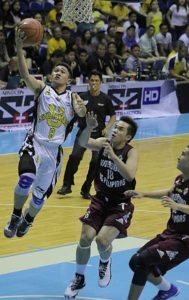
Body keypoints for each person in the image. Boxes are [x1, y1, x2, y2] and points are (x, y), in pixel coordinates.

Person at [4, 27, 86, 238]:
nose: (57, 72)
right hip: (35, 143)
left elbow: (84, 115)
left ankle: (28, 219)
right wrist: (20, 48)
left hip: (53, 153)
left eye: (63, 71)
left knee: (39, 198)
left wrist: (81, 111)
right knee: (25, 179)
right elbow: (24, 73)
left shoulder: (73, 98)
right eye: (55, 70)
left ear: (69, 79)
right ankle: (15, 215)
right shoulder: (43, 90)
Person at [64, 112, 138, 298]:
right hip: (100, 199)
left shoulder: (131, 152)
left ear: (128, 136)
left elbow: (129, 175)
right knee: (85, 238)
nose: (115, 130)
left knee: (102, 240)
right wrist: (88, 127)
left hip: (120, 204)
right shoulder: (104, 142)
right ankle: (79, 278)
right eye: (116, 127)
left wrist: (113, 156)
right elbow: (83, 143)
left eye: (120, 129)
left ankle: (105, 262)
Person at [126, 144, 189, 300]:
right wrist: (143, 194)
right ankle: (167, 289)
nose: (179, 156)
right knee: (135, 262)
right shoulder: (180, 180)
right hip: (171, 234)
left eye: (183, 154)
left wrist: (177, 206)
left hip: (187, 240)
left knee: (143, 260)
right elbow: (169, 192)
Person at [57, 69, 116, 199]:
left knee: (96, 161)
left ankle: (86, 188)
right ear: (88, 82)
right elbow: (73, 113)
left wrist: (108, 128)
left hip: (99, 135)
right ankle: (67, 186)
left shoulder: (105, 99)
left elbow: (113, 116)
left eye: (96, 80)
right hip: (84, 133)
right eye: (92, 80)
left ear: (101, 82)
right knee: (74, 156)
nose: (94, 83)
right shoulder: (82, 97)